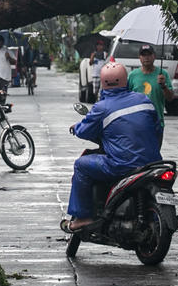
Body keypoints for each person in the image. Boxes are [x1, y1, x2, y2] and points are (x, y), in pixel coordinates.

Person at [64, 61, 161, 231]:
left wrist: (76, 127)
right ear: (126, 80)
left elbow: (85, 130)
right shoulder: (144, 100)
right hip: (152, 162)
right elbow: (157, 127)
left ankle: (83, 218)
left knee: (81, 165)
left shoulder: (102, 107)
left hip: (122, 165)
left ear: (103, 83)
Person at [127, 43, 174, 148]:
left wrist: (164, 86)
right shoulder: (132, 75)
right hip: (137, 123)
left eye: (149, 54)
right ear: (139, 58)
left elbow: (170, 98)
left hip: (156, 122)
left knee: (154, 156)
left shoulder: (163, 74)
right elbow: (125, 98)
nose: (146, 57)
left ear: (154, 56)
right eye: (143, 55)